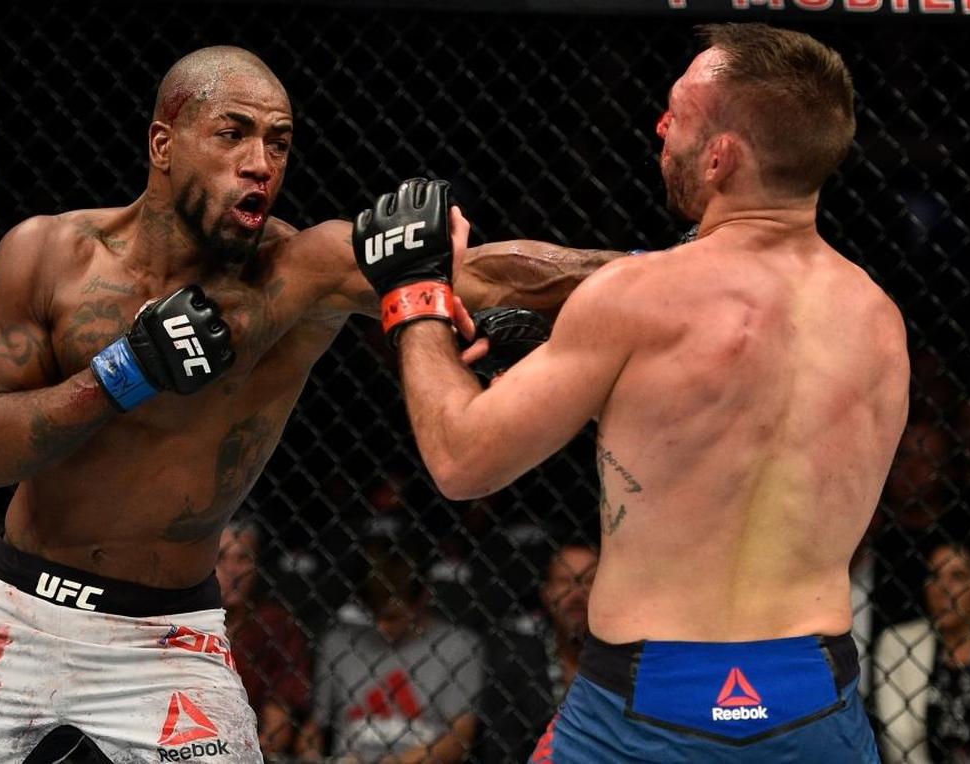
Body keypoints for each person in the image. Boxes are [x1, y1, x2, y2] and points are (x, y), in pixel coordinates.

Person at [0, 46, 616, 763]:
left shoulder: (306, 270)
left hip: (168, 634)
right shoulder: (47, 254)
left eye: (280, 142)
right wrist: (120, 372)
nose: (261, 162)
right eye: (233, 133)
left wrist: (683, 264)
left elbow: (480, 272)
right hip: (14, 610)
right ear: (163, 143)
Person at [353, 23, 910, 762]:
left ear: (721, 157)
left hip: (646, 707)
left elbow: (461, 460)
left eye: (678, 112)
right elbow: (731, 455)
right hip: (812, 699)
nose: (659, 125)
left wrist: (412, 295)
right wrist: (583, 365)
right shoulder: (879, 323)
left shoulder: (637, 298)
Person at [296, 548, 484, 764]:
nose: (380, 626)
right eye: (373, 615)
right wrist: (313, 757)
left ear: (422, 598)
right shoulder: (339, 643)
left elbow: (459, 737)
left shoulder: (458, 646)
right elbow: (313, 728)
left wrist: (400, 762)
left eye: (392, 617)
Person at [873, 533, 970, 763]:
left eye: (958, 576)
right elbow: (897, 743)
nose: (941, 589)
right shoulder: (897, 643)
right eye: (934, 576)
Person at [480, 542, 598, 763]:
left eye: (589, 581)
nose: (577, 593)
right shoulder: (518, 660)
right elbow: (501, 747)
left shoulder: (627, 664)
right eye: (565, 581)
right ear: (547, 593)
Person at [217, 514, 311, 755]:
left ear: (257, 566)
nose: (232, 570)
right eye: (221, 558)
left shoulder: (276, 627)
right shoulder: (183, 624)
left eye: (242, 558)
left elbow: (277, 732)